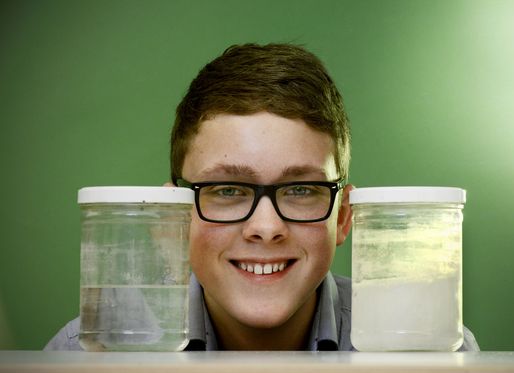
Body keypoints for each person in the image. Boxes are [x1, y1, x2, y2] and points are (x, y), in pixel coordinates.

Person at [45, 43, 479, 351]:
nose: (267, 228)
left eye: (302, 190)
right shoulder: (90, 352)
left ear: (344, 217)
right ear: (169, 219)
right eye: (228, 190)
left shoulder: (429, 350)